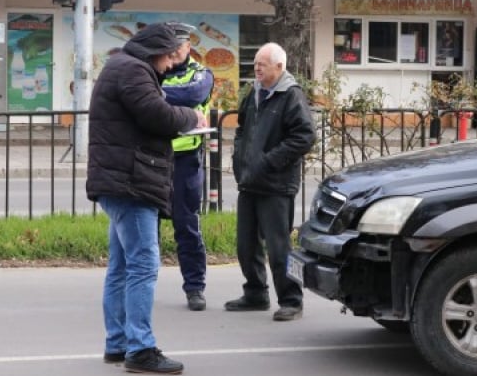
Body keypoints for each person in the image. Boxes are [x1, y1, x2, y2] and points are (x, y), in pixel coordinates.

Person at [86, 22, 206, 374]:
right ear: (155, 52)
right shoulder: (134, 71)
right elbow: (159, 115)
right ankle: (140, 349)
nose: (170, 65)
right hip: (130, 182)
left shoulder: (122, 66)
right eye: (169, 58)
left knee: (121, 266)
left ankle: (117, 342)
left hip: (121, 179)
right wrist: (191, 117)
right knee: (142, 265)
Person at [225, 42, 316, 322]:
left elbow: (304, 137)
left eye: (262, 64)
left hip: (276, 184)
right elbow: (241, 128)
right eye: (255, 63)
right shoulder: (254, 91)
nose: (257, 68)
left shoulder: (291, 95)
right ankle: (255, 293)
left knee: (279, 248)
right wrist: (239, 158)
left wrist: (268, 161)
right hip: (250, 181)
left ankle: (291, 299)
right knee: (246, 245)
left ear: (279, 66)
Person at [161, 22, 215, 311]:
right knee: (146, 227)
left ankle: (194, 287)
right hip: (155, 159)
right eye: (168, 46)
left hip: (186, 162)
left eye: (177, 46)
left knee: (187, 226)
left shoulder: (201, 74)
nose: (172, 51)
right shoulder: (154, 70)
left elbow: (192, 95)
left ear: (188, 47)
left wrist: (160, 98)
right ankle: (140, 285)